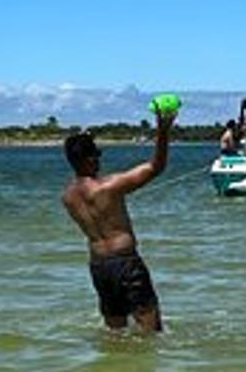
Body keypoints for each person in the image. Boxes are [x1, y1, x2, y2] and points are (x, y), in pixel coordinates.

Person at [61, 104, 176, 333]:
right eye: (97, 155)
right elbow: (156, 167)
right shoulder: (109, 187)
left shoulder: (68, 197)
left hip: (99, 267)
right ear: (89, 159)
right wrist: (163, 131)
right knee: (151, 330)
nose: (99, 160)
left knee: (115, 332)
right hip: (125, 263)